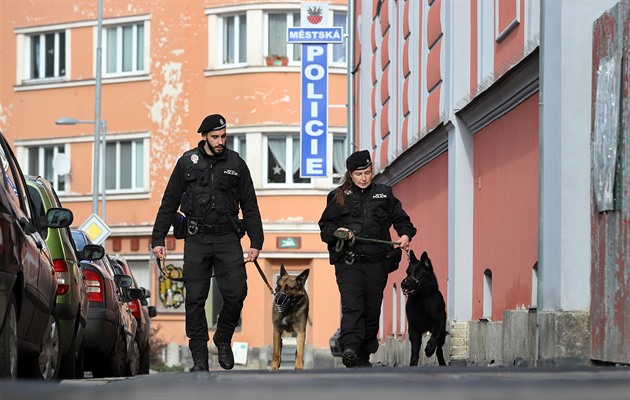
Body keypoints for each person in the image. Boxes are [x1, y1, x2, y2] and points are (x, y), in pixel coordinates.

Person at [151, 114, 264, 372]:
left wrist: (256, 241)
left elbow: (250, 205)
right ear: (204, 137)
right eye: (215, 137)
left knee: (237, 293)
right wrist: (158, 238)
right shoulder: (187, 162)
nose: (220, 141)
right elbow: (169, 202)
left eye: (223, 136)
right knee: (195, 299)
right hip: (197, 238)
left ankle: (223, 338)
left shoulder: (236, 163)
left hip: (227, 238)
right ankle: (200, 358)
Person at [318, 149, 416, 368]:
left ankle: (363, 354)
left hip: (377, 264)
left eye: (367, 172)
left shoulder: (384, 194)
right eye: (359, 174)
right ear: (350, 174)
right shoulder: (339, 196)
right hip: (349, 263)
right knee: (353, 306)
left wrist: (404, 236)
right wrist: (339, 232)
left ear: (372, 171)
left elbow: (402, 220)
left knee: (372, 309)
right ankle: (350, 348)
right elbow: (325, 228)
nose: (363, 178)